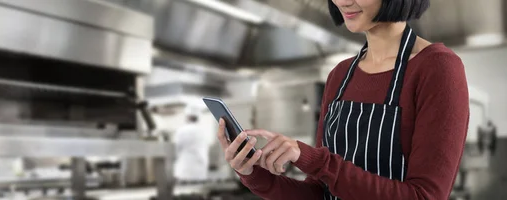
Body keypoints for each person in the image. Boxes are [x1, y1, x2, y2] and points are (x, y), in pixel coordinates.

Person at [216, 0, 470, 199]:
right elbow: (321, 193)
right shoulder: (340, 75)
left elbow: (424, 196)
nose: (342, 1)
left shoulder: (438, 68)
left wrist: (314, 159)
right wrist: (253, 174)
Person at [173, 104, 213, 182]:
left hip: (184, 168)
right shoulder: (202, 131)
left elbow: (176, 148)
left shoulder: (181, 131)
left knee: (184, 191)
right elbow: (205, 148)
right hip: (200, 168)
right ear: (197, 118)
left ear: (187, 117)